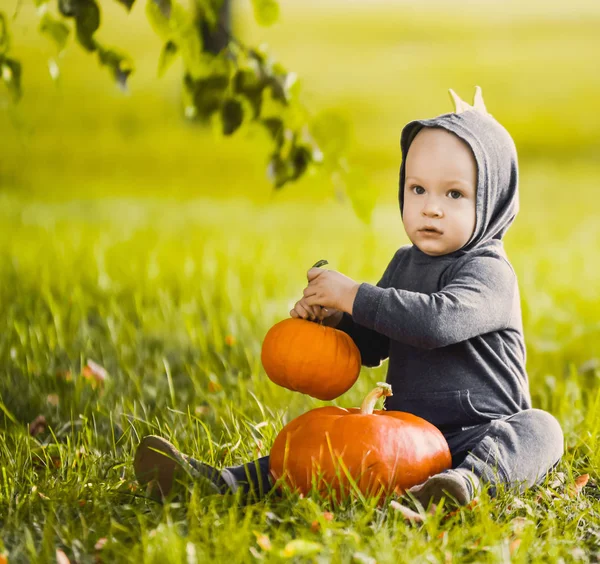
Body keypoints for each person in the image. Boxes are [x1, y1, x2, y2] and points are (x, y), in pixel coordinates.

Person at [133, 87, 565, 508]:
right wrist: (335, 319)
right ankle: (222, 483)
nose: (431, 207)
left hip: (479, 434)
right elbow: (374, 342)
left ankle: (465, 484)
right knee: (323, 444)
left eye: (454, 194)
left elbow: (437, 323)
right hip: (408, 438)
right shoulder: (404, 262)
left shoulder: (490, 272)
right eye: (418, 190)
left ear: (492, 201)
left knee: (540, 428)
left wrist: (354, 293)